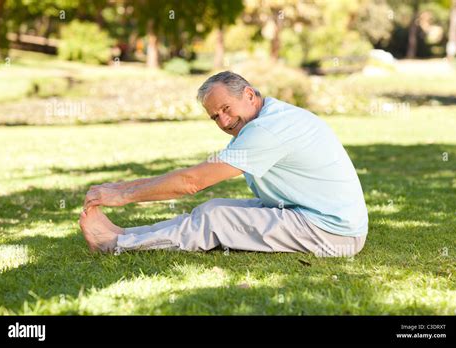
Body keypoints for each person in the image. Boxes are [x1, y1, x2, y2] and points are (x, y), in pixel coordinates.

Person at [79, 71, 368, 257]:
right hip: (308, 214)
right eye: (215, 117)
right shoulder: (263, 121)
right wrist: (123, 186)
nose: (224, 122)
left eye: (226, 109)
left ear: (249, 95)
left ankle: (114, 246)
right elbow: (194, 175)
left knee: (216, 221)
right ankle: (125, 235)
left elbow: (192, 182)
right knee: (214, 208)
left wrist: (123, 195)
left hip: (333, 233)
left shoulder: (267, 130)